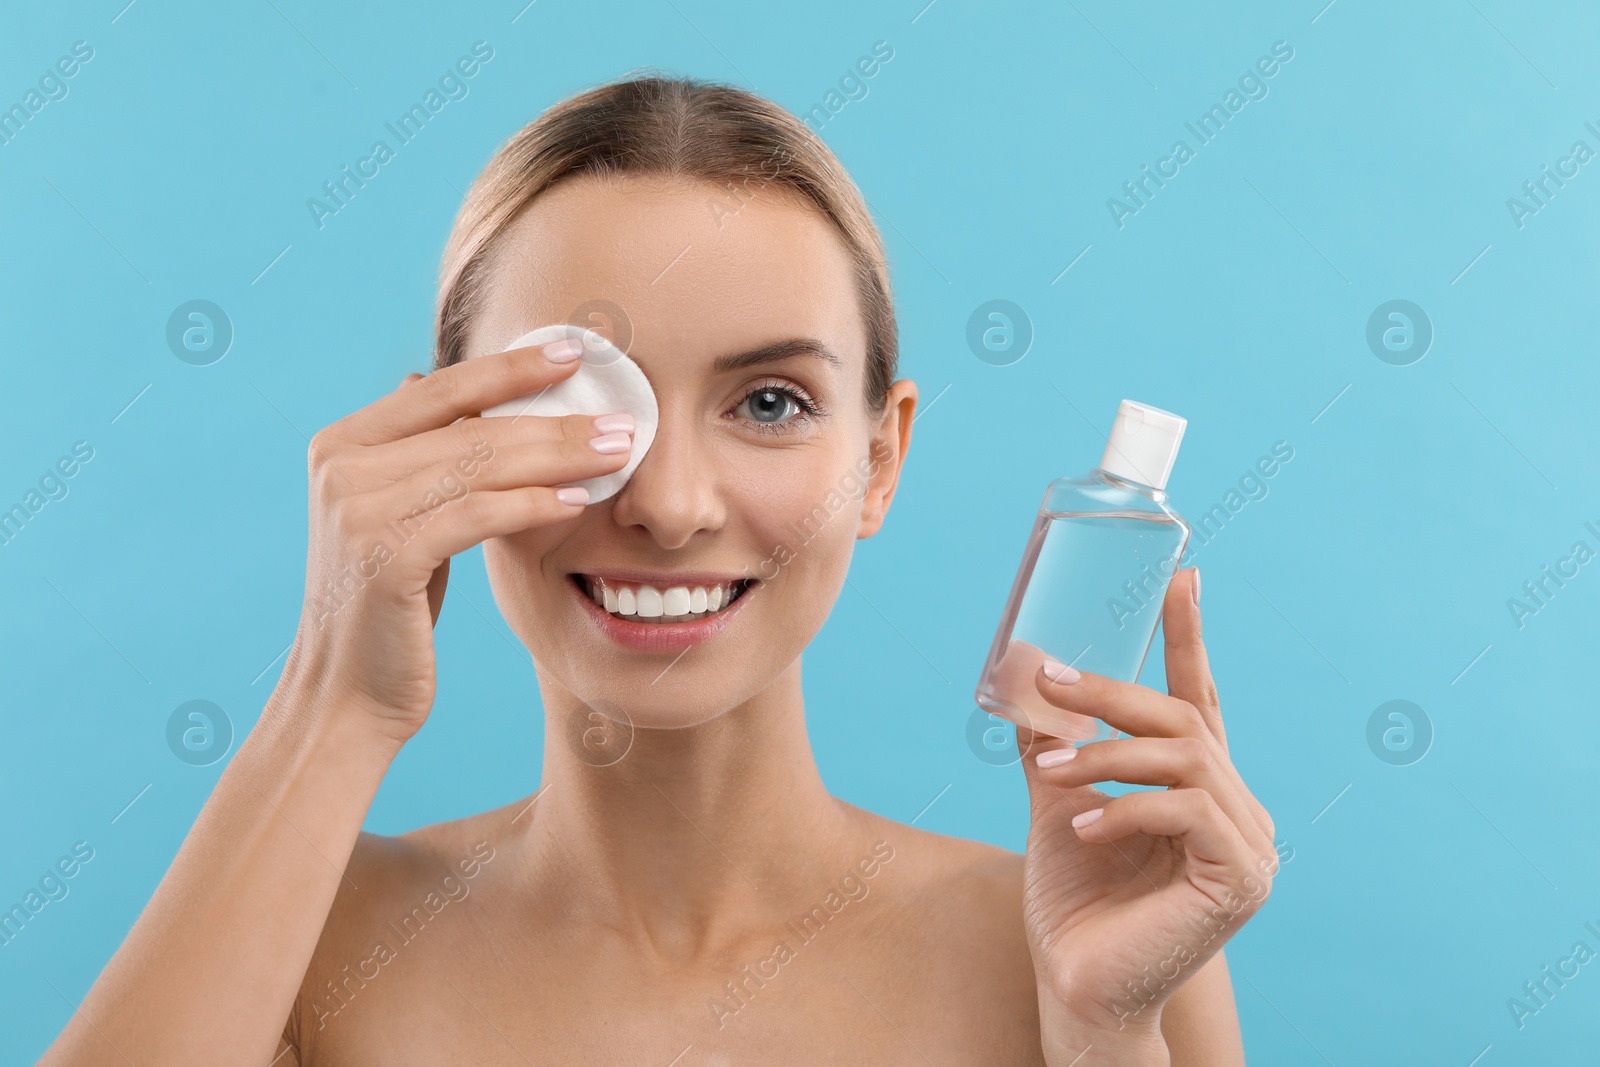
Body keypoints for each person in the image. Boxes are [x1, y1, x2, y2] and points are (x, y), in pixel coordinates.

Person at [39, 73, 1276, 1066]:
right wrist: (333, 700)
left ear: (881, 457)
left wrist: (1102, 1038)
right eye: (581, 399)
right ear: (443, 439)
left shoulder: (1084, 948)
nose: (671, 506)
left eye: (772, 401)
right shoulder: (301, 933)